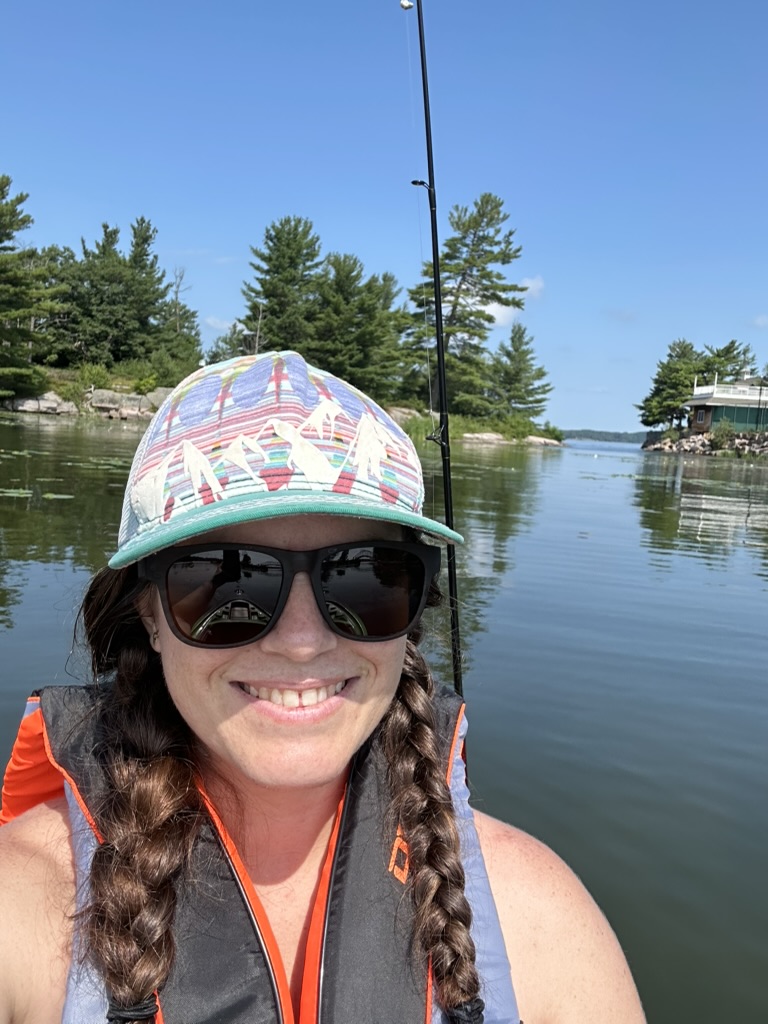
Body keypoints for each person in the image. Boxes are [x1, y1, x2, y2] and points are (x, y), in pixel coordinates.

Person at [0, 351, 645, 1024]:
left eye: (364, 578)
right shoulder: (24, 908)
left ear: (413, 609)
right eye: (230, 581)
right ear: (152, 616)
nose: (302, 640)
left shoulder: (540, 921)